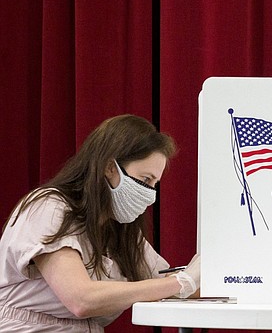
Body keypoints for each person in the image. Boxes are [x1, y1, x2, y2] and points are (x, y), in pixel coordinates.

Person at [0, 114, 200, 332]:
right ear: (109, 167)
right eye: (145, 180)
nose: (150, 194)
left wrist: (216, 275)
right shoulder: (49, 207)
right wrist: (181, 282)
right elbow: (81, 300)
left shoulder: (119, 228)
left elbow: (167, 282)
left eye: (154, 183)